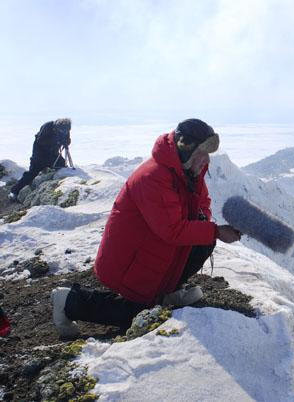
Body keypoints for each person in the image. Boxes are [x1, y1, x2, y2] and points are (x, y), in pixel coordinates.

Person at [51, 119, 241, 338]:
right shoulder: (154, 178)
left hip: (153, 252)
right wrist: (215, 230)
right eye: (202, 152)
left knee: (203, 239)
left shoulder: (188, 172)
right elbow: (173, 230)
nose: (207, 159)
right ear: (185, 149)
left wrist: (203, 221)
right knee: (135, 315)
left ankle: (166, 293)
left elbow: (202, 203)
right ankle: (68, 301)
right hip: (129, 262)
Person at [9, 118, 72, 200]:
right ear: (57, 127)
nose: (63, 132)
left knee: (62, 166)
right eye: (61, 131)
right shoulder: (48, 126)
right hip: (39, 154)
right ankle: (14, 191)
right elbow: (41, 141)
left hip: (53, 153)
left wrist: (65, 142)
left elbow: (67, 140)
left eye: (65, 131)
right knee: (32, 173)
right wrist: (57, 141)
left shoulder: (65, 128)